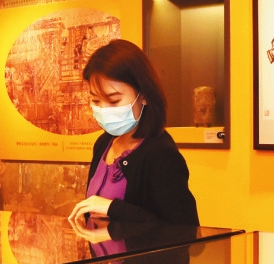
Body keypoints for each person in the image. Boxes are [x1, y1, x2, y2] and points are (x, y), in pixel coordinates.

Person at [68, 39, 199, 228]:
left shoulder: (160, 153)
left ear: (143, 95)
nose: (104, 109)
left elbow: (184, 229)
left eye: (114, 101)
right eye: (96, 101)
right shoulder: (103, 144)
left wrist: (113, 208)